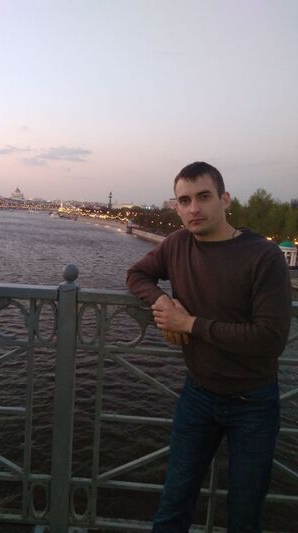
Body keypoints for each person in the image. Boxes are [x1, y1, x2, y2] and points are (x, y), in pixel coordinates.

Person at [126, 162, 291, 533]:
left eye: (203, 197)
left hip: (254, 403)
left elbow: (270, 338)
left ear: (225, 199)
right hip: (198, 394)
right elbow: (136, 274)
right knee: (174, 503)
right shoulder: (177, 244)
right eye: (184, 201)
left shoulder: (263, 256)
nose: (193, 208)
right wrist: (163, 302)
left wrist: (189, 324)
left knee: (244, 512)